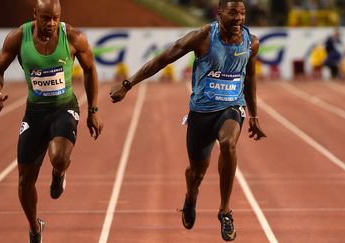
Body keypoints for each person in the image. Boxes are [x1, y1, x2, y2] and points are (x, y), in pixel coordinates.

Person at [110, 0, 266, 241]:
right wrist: (128, 84)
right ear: (219, 13)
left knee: (228, 143)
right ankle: (191, 195)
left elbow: (250, 78)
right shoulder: (202, 37)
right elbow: (164, 58)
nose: (238, 18)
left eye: (242, 13)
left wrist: (253, 114)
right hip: (201, 114)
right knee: (197, 172)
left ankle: (225, 211)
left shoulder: (251, 43)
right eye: (233, 13)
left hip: (231, 108)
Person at [0, 0, 103, 242]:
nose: (51, 23)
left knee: (59, 157)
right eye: (45, 18)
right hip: (35, 113)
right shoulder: (19, 38)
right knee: (24, 182)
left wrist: (93, 109)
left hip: (64, 108)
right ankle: (35, 227)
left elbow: (91, 69)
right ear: (35, 15)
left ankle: (58, 173)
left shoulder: (73, 37)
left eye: (56, 18)